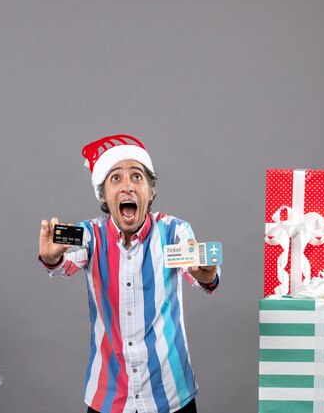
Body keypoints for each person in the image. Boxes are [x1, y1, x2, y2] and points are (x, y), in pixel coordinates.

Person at [38, 134, 220, 413]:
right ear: (102, 194)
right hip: (108, 398)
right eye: (115, 178)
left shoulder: (175, 231)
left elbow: (198, 274)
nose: (127, 186)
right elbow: (65, 262)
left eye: (137, 177)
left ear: (151, 190)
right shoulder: (88, 235)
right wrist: (52, 257)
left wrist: (205, 274)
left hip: (171, 397)